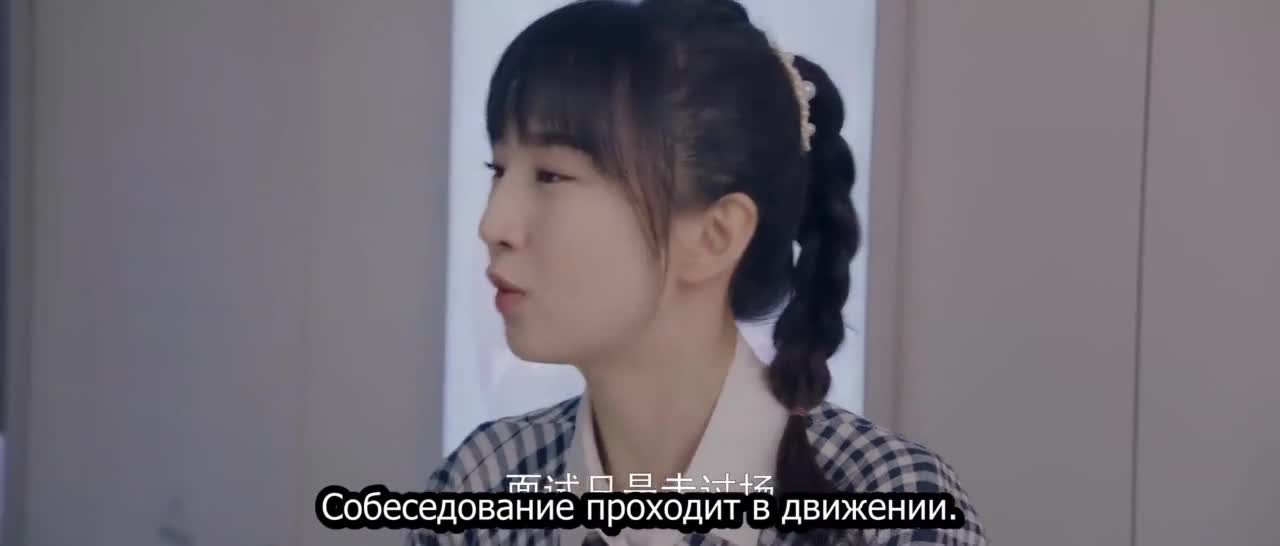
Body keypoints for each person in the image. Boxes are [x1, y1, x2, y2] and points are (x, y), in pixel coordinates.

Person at [410, 0, 985, 544]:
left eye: (551, 175)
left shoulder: (891, 504)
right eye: (498, 169)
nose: (493, 225)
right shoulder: (481, 485)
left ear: (716, 235)